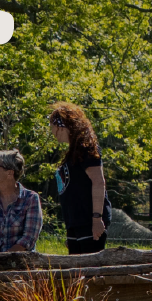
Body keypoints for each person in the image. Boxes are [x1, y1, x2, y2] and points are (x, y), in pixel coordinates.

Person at [47, 103, 108, 254]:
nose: (52, 131)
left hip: (89, 221)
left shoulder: (86, 148)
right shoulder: (72, 151)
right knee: (76, 272)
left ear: (62, 126)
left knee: (89, 272)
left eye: (53, 126)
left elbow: (99, 182)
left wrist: (96, 218)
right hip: (75, 222)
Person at [0, 149, 43, 255]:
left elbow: (28, 239)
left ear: (10, 172)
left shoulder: (31, 199)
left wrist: (4, 260)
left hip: (21, 264)